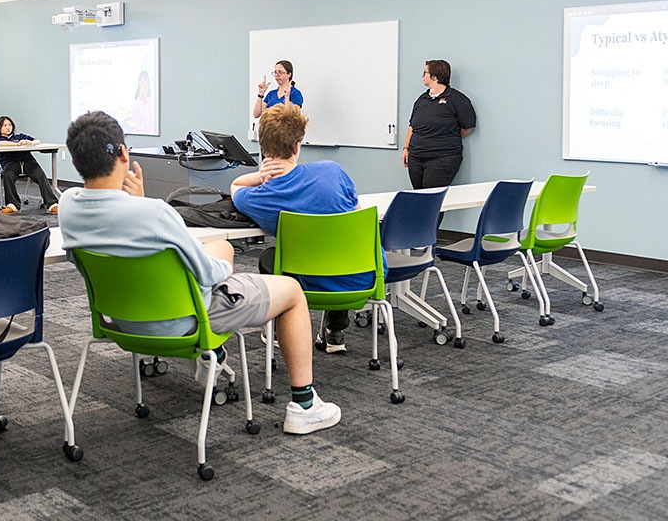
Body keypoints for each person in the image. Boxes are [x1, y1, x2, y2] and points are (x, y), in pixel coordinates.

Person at [58, 110, 341, 435]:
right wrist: (225, 263)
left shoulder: (68, 207)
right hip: (182, 321)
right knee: (288, 289)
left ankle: (214, 356)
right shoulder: (156, 213)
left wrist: (136, 205)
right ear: (124, 153)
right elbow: (207, 275)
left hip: (119, 321)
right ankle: (304, 406)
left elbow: (116, 225)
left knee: (214, 253)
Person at [231, 103, 381, 354]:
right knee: (336, 247)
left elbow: (235, 186)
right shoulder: (333, 171)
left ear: (263, 149)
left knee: (272, 256)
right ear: (297, 146)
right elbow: (354, 210)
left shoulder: (260, 196)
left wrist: (259, 176)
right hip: (363, 277)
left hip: (310, 283)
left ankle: (281, 331)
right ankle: (335, 333)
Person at [402, 59, 476, 224]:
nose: (422, 76)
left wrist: (442, 138)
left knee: (432, 200)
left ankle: (428, 239)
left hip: (442, 158)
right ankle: (417, 236)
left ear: (435, 76)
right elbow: (412, 126)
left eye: (425, 73)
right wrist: (406, 148)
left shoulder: (457, 99)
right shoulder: (422, 100)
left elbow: (467, 127)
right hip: (416, 156)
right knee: (419, 197)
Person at [0, 115, 59, 215]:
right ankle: (13, 205)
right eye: (4, 125)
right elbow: (0, 143)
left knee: (40, 174)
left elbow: (37, 141)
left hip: (28, 162)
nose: (8, 127)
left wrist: (29, 142)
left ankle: (51, 204)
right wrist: (17, 144)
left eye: (9, 125)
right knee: (7, 175)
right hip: (11, 164)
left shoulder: (19, 136)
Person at [127, 69, 155, 134]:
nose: (144, 85)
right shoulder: (136, 103)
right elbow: (137, 125)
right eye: (142, 82)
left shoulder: (151, 102)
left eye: (145, 82)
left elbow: (151, 122)